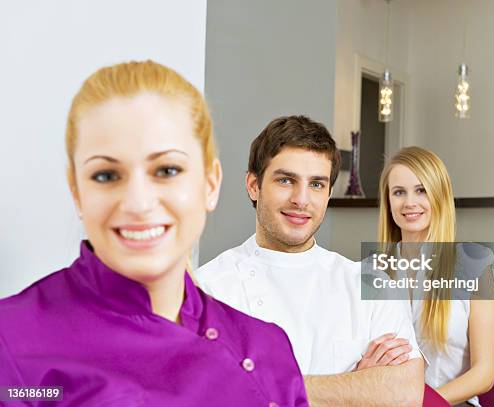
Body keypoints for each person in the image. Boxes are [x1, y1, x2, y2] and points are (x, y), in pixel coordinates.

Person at [0, 61, 307, 406]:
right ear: (77, 193)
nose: (138, 203)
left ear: (210, 184)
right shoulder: (11, 342)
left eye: (167, 170)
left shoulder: (267, 347)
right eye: (105, 175)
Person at [197, 116, 424, 407]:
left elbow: (405, 394)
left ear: (329, 193)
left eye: (316, 184)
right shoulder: (208, 290)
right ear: (254, 185)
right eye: (285, 180)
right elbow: (208, 395)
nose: (301, 200)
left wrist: (264, 386)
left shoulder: (370, 282)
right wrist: (354, 388)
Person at [377, 146, 494, 406]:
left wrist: (426, 403)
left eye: (421, 190)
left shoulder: (474, 263)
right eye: (399, 192)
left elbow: (485, 373)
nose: (409, 202)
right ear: (388, 201)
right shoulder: (370, 271)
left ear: (440, 196)